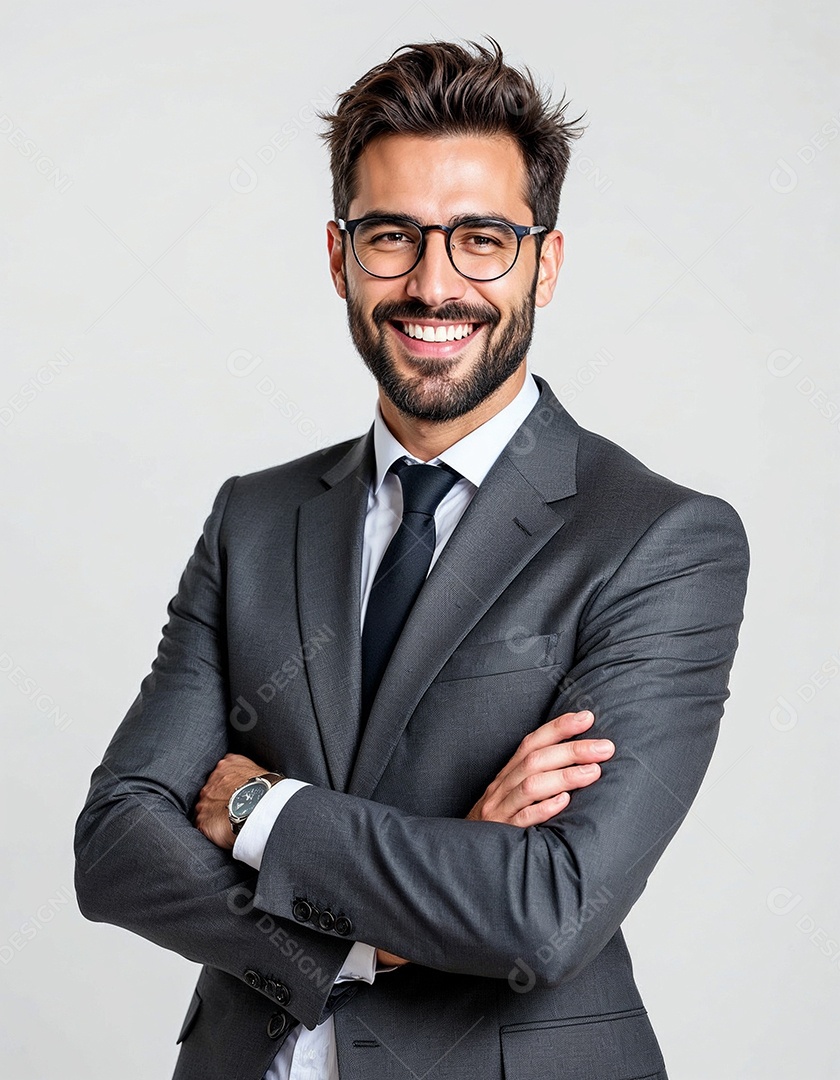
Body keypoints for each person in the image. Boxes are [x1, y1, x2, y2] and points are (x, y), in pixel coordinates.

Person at [74, 39, 749, 1080]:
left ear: (545, 263)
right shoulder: (255, 519)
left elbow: (545, 910)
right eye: (393, 236)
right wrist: (356, 943)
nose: (434, 285)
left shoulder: (659, 542)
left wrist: (262, 809)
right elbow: (119, 844)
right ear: (341, 256)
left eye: (482, 239)